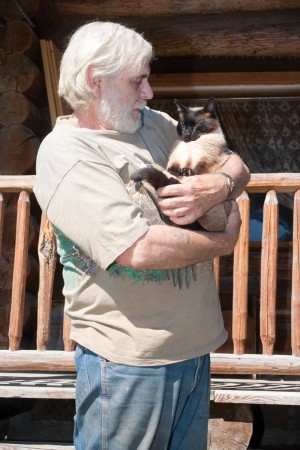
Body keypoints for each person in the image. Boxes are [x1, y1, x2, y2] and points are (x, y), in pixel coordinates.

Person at [34, 21, 250, 450]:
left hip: (193, 348)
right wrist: (224, 241)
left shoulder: (151, 123)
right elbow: (140, 249)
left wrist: (218, 187)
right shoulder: (69, 154)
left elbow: (236, 163)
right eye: (138, 81)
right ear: (96, 82)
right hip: (129, 364)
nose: (149, 92)